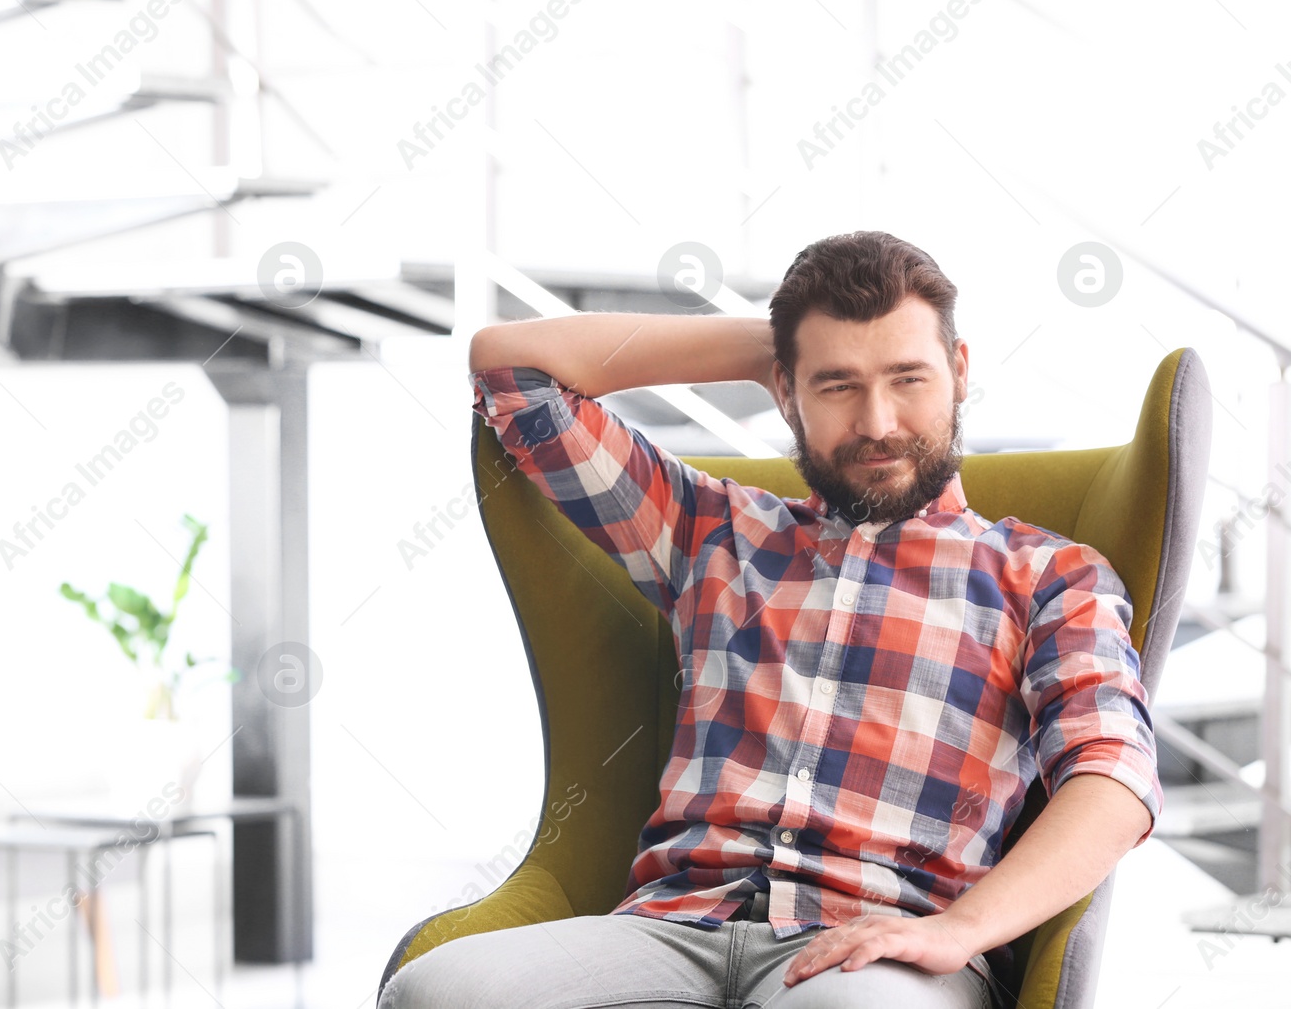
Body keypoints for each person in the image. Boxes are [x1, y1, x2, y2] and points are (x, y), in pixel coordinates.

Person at [379, 231, 1162, 1009]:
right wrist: (770, 344)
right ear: (785, 391)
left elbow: (1114, 778)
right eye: (836, 385)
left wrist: (962, 930)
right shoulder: (707, 530)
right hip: (672, 925)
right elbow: (510, 367)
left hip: (878, 947)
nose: (878, 420)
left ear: (959, 371)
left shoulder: (1050, 576)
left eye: (908, 376)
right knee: (436, 989)